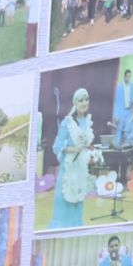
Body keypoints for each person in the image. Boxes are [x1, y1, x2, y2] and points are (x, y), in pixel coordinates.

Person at [51, 89, 96, 228]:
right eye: (80, 100)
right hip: (68, 170)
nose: (84, 103)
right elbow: (56, 146)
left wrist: (90, 154)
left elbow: (86, 145)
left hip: (80, 170)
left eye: (86, 99)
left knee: (78, 202)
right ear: (74, 102)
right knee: (65, 204)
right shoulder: (67, 123)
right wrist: (74, 149)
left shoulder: (87, 122)